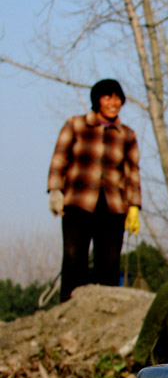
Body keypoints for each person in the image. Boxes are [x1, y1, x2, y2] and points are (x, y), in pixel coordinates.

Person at [47, 79, 142, 302]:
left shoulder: (127, 135)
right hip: (78, 202)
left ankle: (103, 310)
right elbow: (59, 159)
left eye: (118, 98)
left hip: (113, 206)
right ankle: (69, 307)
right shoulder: (76, 125)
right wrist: (55, 191)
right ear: (97, 100)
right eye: (108, 97)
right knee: (73, 259)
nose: (113, 102)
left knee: (109, 262)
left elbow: (133, 173)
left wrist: (134, 206)